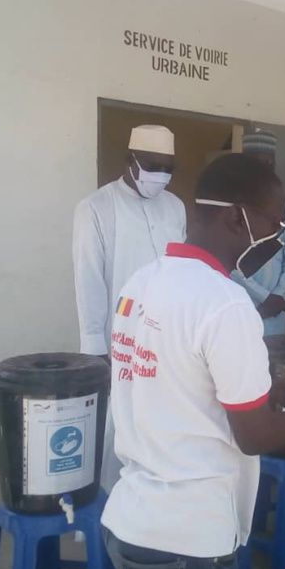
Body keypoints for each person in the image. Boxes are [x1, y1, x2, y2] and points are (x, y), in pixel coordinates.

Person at [101, 154, 285, 569]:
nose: (278, 237)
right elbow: (254, 436)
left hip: (130, 524)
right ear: (234, 216)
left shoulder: (140, 284)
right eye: (273, 223)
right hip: (189, 541)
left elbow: (176, 383)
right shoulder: (226, 305)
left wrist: (273, 395)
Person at [72, 124, 186, 492]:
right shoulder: (96, 207)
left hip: (166, 339)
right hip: (118, 342)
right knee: (115, 429)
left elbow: (180, 269)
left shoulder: (175, 207)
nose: (160, 176)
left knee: (162, 425)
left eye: (168, 168)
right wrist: (94, 346)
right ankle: (110, 512)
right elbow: (88, 277)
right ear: (130, 160)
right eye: (152, 165)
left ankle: (153, 508)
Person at [230, 129, 285, 335]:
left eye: (270, 163)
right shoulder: (230, 206)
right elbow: (227, 263)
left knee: (276, 364)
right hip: (243, 306)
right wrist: (264, 297)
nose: (265, 169)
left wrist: (280, 294)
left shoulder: (284, 208)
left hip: (275, 313)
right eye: (258, 164)